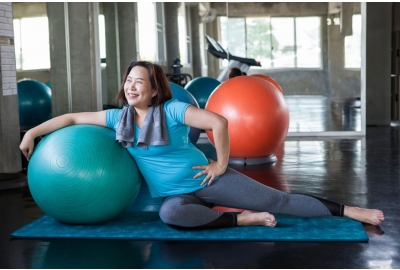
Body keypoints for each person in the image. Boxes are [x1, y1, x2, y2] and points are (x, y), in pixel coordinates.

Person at [20, 61, 384, 229]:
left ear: (154, 88)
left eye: (139, 83)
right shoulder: (119, 118)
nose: (131, 87)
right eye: (128, 81)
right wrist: (32, 133)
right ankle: (241, 221)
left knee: (279, 201)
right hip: (175, 195)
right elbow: (69, 120)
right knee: (171, 216)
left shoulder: (175, 109)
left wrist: (220, 165)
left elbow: (218, 122)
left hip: (208, 180)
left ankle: (351, 211)